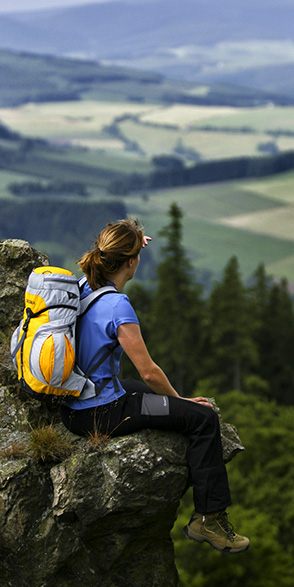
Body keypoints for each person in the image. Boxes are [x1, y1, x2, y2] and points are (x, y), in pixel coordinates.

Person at [59, 217, 249, 554]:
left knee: (139, 392)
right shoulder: (118, 305)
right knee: (203, 419)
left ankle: (209, 516)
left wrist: (130, 242)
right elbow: (148, 372)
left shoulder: (86, 285)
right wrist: (182, 402)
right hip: (103, 414)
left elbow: (112, 255)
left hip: (74, 406)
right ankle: (209, 520)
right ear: (131, 262)